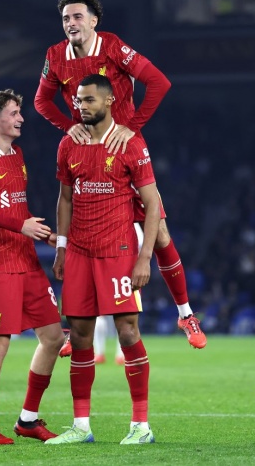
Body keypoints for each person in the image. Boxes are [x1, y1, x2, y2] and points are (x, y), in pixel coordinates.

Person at [35, 0, 206, 350]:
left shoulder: (112, 47)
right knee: (83, 231)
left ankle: (186, 314)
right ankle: (80, 328)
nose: (71, 23)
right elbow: (40, 101)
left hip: (123, 149)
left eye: (77, 17)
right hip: (85, 152)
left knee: (160, 234)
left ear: (93, 21)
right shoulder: (55, 56)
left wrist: (133, 126)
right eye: (66, 18)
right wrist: (68, 126)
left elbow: (159, 82)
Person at [46, 74, 159, 445]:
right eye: (78, 100)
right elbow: (65, 199)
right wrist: (61, 248)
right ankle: (81, 426)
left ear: (109, 101)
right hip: (79, 252)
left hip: (119, 252)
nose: (81, 106)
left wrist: (144, 258)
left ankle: (140, 426)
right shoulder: (69, 144)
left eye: (89, 100)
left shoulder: (130, 142)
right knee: (80, 337)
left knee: (127, 331)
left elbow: (152, 203)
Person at [0, 89, 64, 445]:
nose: (21, 118)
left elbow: (17, 209)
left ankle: (28, 420)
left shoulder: (17, 155)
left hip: (27, 261)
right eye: (13, 112)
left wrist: (44, 234)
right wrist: (21, 226)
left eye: (20, 112)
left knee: (53, 338)